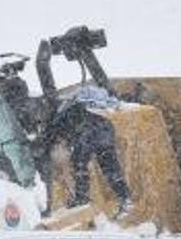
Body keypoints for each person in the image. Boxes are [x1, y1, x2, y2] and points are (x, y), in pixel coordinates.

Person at [35, 85, 133, 217]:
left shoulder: (64, 118)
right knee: (108, 166)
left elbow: (54, 135)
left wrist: (44, 145)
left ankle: (83, 198)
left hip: (86, 132)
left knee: (81, 164)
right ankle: (124, 197)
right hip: (102, 129)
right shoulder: (76, 111)